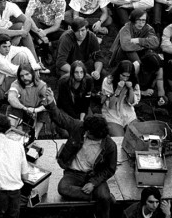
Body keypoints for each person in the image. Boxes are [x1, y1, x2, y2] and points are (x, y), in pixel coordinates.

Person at [44, 87, 117, 218]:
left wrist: (93, 183)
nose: (86, 133)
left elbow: (110, 169)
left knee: (103, 200)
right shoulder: (80, 127)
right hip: (73, 173)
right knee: (63, 188)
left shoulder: (110, 146)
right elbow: (61, 118)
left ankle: (102, 202)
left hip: (94, 175)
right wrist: (51, 104)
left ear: (98, 135)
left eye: (89, 134)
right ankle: (101, 197)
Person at [0, 34, 41, 98]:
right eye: (4, 47)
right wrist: (35, 69)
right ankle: (28, 92)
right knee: (24, 74)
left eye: (9, 46)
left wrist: (34, 64)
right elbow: (17, 71)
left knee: (22, 55)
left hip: (5, 78)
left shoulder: (7, 49)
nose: (7, 49)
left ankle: (30, 90)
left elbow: (25, 49)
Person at [56, 18, 104, 82]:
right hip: (68, 66)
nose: (80, 34)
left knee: (102, 73)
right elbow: (60, 62)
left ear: (87, 29)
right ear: (73, 31)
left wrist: (97, 71)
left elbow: (98, 57)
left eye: (82, 30)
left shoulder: (92, 37)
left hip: (83, 64)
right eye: (77, 31)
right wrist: (78, 72)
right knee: (68, 79)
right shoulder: (66, 38)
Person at [101, 60, 141, 136]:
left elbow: (132, 103)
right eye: (123, 75)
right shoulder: (108, 81)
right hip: (112, 114)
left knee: (135, 136)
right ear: (118, 73)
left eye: (128, 76)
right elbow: (110, 105)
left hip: (128, 113)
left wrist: (130, 89)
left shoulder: (134, 82)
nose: (125, 79)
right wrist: (118, 89)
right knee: (119, 138)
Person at [7, 64, 48, 138]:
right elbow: (11, 98)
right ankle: (18, 133)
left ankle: (35, 135)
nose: (24, 78)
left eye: (27, 74)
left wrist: (36, 110)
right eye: (21, 76)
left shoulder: (41, 85)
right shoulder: (16, 84)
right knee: (12, 107)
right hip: (23, 111)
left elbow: (50, 101)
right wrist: (24, 108)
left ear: (32, 73)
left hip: (35, 113)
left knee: (45, 109)